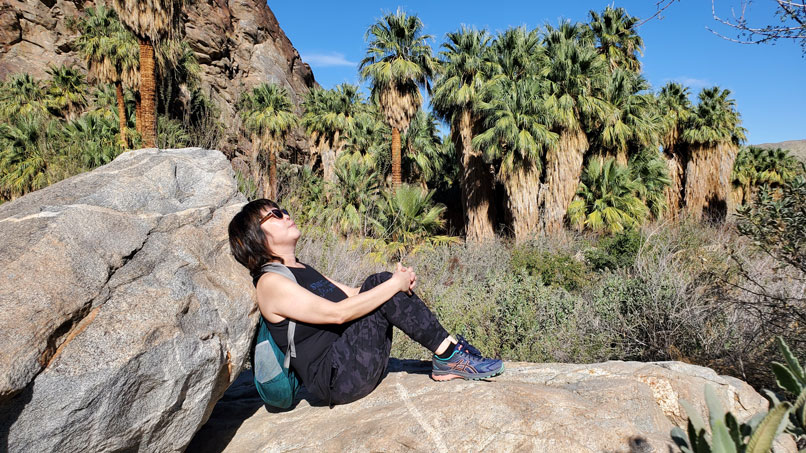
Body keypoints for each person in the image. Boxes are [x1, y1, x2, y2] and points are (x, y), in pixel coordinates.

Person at [228, 199, 504, 406]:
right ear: (256, 236)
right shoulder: (270, 284)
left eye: (282, 209)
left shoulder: (300, 268)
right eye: (275, 215)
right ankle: (450, 357)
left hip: (351, 361)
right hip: (337, 379)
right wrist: (389, 285)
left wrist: (397, 283)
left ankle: (451, 351)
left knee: (379, 282)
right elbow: (337, 314)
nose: (286, 215)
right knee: (381, 282)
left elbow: (352, 293)